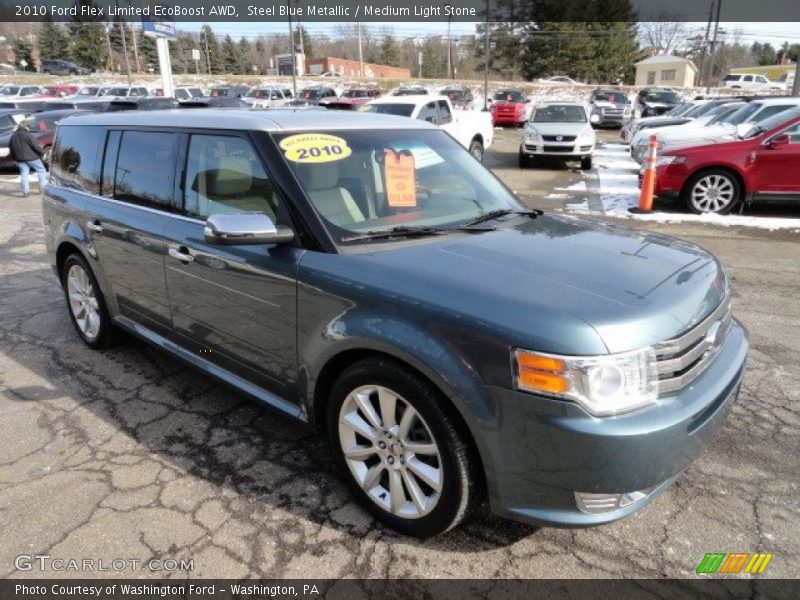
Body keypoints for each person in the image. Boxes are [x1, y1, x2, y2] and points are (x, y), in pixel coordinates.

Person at [9, 118, 48, 197]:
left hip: (19, 158)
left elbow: (11, 148)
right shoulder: (28, 135)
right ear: (26, 127)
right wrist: (43, 152)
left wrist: (13, 159)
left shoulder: (13, 136)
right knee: (41, 170)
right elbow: (35, 146)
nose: (29, 128)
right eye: (28, 126)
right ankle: (43, 188)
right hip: (31, 157)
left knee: (24, 173)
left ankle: (25, 191)